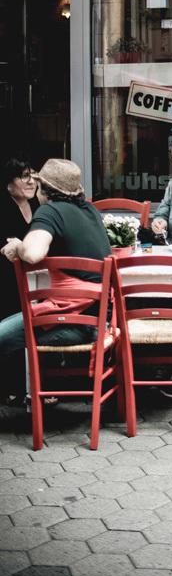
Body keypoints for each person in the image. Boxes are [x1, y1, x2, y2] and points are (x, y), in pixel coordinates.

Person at [0, 159, 112, 404]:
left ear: (45, 189)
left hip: (72, 324)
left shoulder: (49, 212)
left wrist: (18, 245)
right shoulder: (90, 211)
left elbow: (32, 253)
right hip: (101, 321)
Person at [0, 157, 39, 322]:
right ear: (8, 183)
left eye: (34, 175)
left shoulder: (36, 205)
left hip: (32, 277)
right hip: (7, 283)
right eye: (24, 176)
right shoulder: (4, 207)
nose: (31, 182)